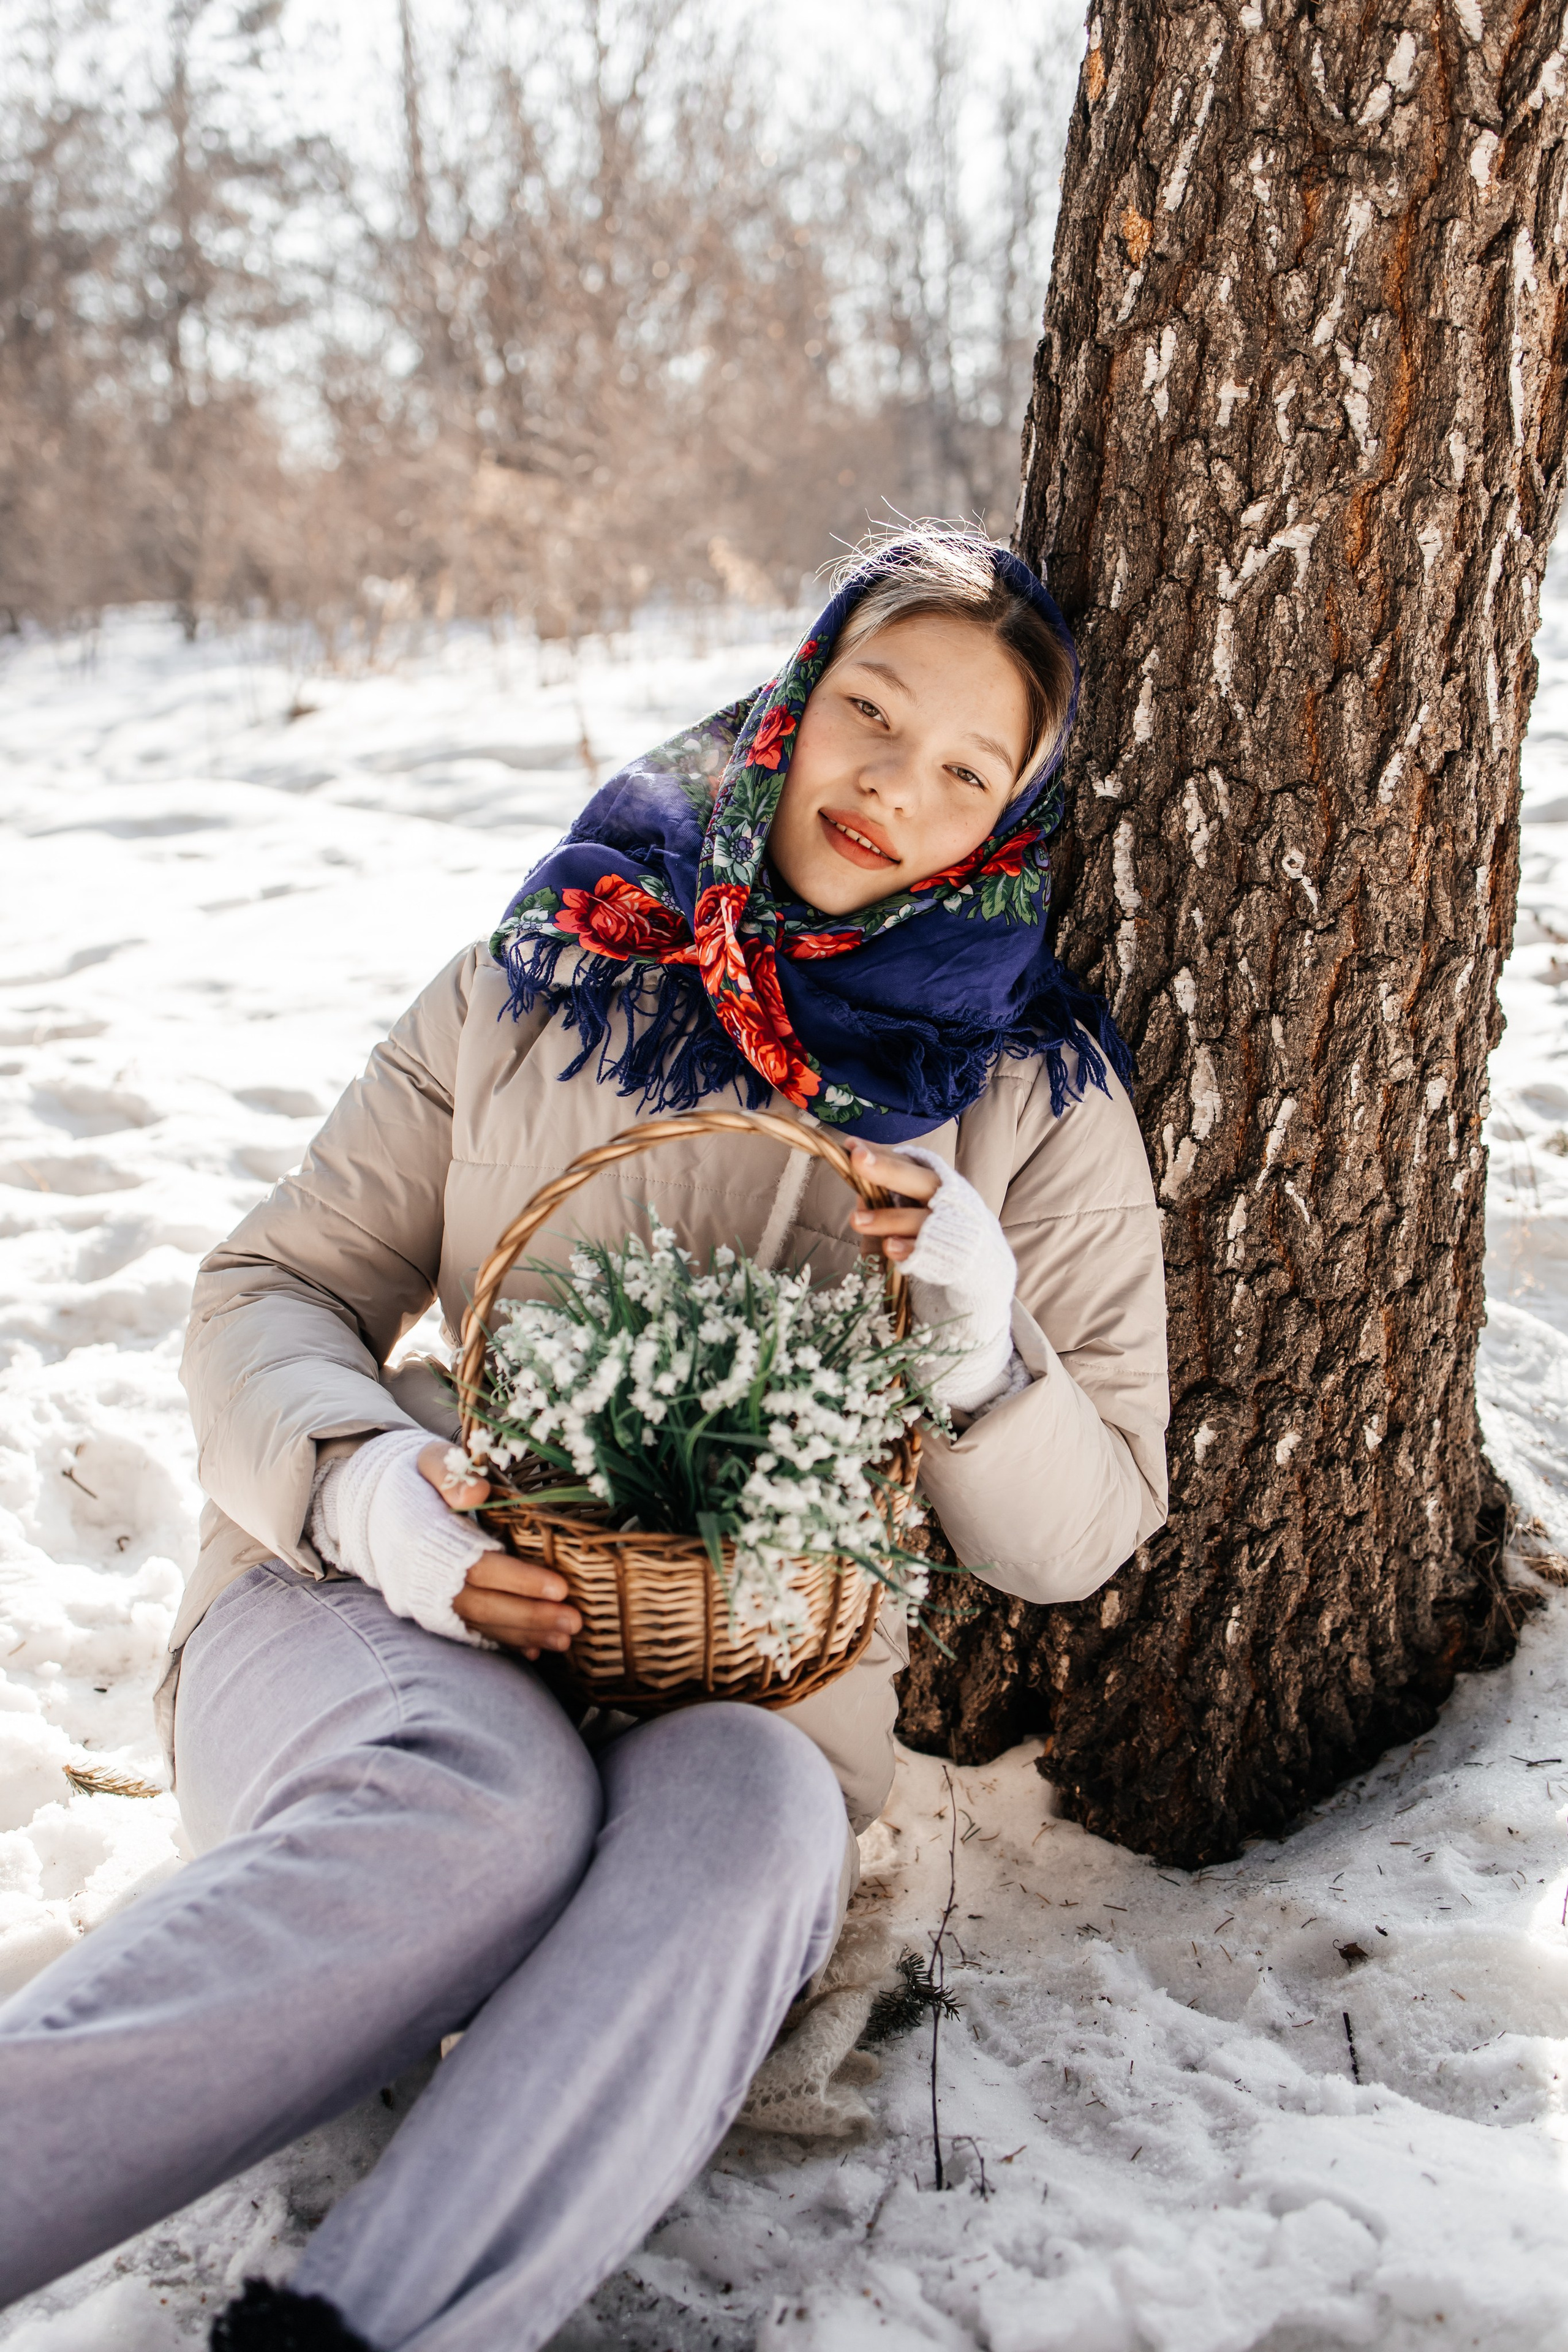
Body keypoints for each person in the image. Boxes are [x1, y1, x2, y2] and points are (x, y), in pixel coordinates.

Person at [0, 526, 1169, 2351]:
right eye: (872, 711)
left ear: (1013, 817)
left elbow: (1082, 1533)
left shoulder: (1031, 1091)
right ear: (792, 701)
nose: (896, 787)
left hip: (753, 1689)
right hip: (371, 1617)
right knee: (493, 1806)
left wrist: (974, 1337)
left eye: (967, 769)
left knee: (758, 1817)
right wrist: (365, 1494)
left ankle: (360, 2334)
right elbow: (270, 1290)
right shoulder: (554, 968)